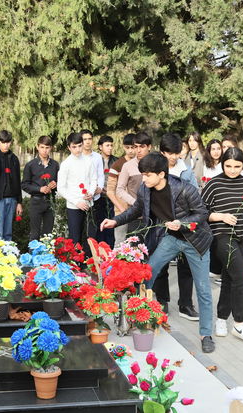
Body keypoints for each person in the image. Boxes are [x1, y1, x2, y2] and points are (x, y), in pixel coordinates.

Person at [101, 152, 215, 353]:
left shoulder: (185, 189)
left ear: (161, 174)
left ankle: (206, 334)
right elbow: (135, 210)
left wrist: (182, 223)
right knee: (147, 274)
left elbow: (202, 214)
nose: (143, 179)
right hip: (171, 239)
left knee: (203, 289)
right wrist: (115, 221)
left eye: (147, 175)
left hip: (195, 241)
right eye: (143, 174)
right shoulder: (145, 189)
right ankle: (139, 319)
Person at [202, 147, 243, 342]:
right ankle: (239, 324)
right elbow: (200, 212)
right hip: (223, 237)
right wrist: (221, 216)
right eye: (228, 166)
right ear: (222, 164)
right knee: (242, 279)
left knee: (230, 279)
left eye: (237, 166)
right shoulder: (214, 184)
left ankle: (221, 319)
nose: (233, 170)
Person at [153, 133, 200, 320]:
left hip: (183, 224)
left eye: (176, 153)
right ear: (162, 152)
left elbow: (195, 196)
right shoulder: (155, 169)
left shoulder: (186, 171)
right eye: (169, 153)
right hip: (161, 224)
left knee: (186, 264)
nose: (173, 157)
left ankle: (186, 304)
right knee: (161, 264)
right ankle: (162, 300)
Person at [57, 132, 97, 248]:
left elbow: (93, 179)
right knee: (75, 238)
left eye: (80, 146)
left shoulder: (89, 161)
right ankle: (76, 259)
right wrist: (76, 202)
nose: (78, 149)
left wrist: (91, 192)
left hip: (89, 203)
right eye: (74, 147)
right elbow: (61, 188)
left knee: (90, 237)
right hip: (74, 206)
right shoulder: (66, 164)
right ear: (69, 147)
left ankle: (90, 258)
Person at [21, 135, 60, 241]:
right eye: (42, 147)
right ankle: (33, 252)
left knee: (48, 234)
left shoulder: (55, 165)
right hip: (36, 202)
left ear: (51, 148)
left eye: (47, 147)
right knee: (34, 233)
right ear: (37, 147)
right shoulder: (30, 165)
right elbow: (24, 185)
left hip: (50, 202)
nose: (44, 150)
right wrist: (39, 189)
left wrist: (55, 184)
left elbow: (60, 183)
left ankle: (47, 252)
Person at [0, 130, 23, 241]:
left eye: (8, 142)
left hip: (12, 200)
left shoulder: (14, 158)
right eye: (3, 142)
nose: (6, 145)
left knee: (8, 234)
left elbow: (17, 182)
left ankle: (8, 253)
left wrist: (19, 202)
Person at [106, 134, 137, 246]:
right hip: (121, 210)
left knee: (137, 243)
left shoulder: (142, 163)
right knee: (120, 242)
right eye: (127, 148)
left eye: (133, 147)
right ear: (123, 147)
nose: (130, 150)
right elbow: (110, 191)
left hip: (138, 210)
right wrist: (121, 208)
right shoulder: (117, 165)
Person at [96, 135, 118, 245]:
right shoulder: (95, 160)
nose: (110, 148)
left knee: (110, 224)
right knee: (99, 224)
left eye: (111, 145)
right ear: (100, 147)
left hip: (112, 197)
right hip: (98, 196)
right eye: (107, 145)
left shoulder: (116, 161)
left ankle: (110, 248)